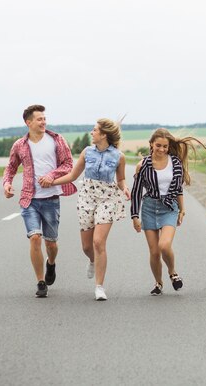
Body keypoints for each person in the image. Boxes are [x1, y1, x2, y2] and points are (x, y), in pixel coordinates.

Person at [51, 119, 130, 301]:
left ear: (103, 134)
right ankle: (93, 260)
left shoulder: (119, 156)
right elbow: (72, 175)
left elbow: (120, 180)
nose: (91, 132)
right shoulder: (87, 152)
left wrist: (124, 188)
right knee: (87, 247)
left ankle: (99, 287)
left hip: (108, 199)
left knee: (98, 242)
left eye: (94, 130)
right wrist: (52, 183)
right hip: (87, 197)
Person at [3, 104, 76, 298]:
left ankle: (51, 264)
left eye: (44, 118)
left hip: (51, 199)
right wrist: (7, 184)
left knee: (51, 243)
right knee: (35, 238)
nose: (43, 122)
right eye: (39, 119)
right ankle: (41, 281)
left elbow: (69, 164)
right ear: (28, 123)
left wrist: (52, 175)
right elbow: (11, 167)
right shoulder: (20, 145)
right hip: (29, 199)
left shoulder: (57, 140)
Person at [131, 129, 205, 296]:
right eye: (158, 145)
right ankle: (158, 283)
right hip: (149, 207)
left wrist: (182, 209)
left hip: (169, 208)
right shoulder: (142, 165)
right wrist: (134, 216)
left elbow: (178, 188)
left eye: (165, 146)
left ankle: (172, 272)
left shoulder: (175, 163)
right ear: (151, 144)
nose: (162, 149)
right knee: (154, 252)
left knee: (164, 245)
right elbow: (136, 192)